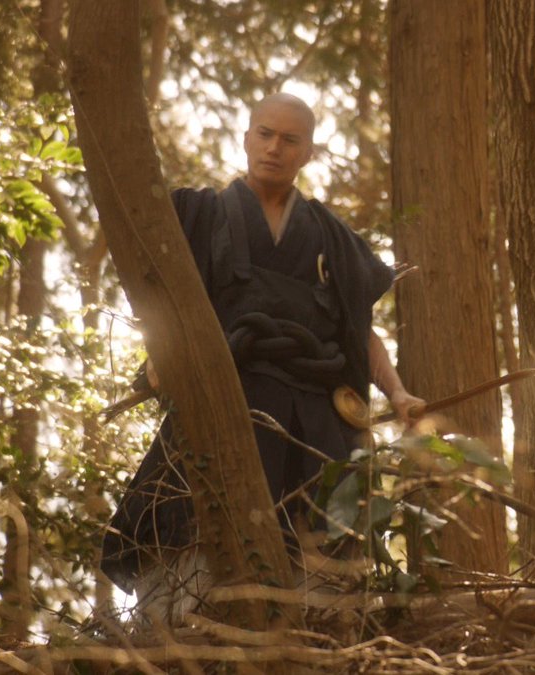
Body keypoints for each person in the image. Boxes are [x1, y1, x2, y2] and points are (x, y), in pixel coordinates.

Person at [100, 92, 424, 621]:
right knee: (188, 529)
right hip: (222, 401)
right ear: (246, 138)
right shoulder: (195, 215)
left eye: (290, 139)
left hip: (313, 420)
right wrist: (163, 353)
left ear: (308, 153)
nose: (274, 148)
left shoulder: (331, 236)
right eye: (265, 134)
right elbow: (157, 295)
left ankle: (315, 638)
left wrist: (399, 392)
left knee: (324, 551)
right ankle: (184, 633)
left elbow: (359, 332)